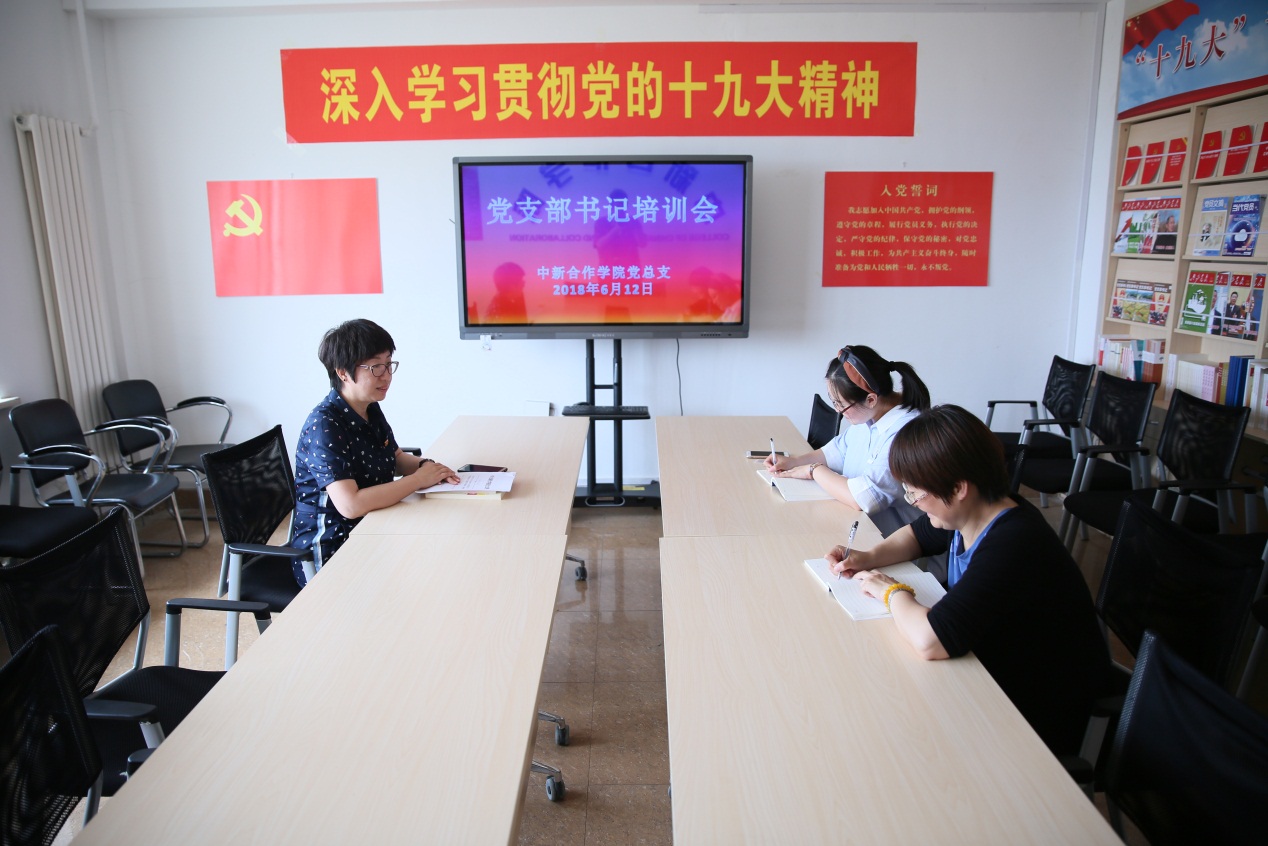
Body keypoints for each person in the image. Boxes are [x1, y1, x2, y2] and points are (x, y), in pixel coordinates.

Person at [825, 405, 1110, 755]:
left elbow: (931, 640)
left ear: (959, 488)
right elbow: (918, 535)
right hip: (988, 665)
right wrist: (866, 557)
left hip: (1035, 704)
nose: (915, 503)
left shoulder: (1014, 542)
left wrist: (892, 592)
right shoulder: (974, 511)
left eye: (916, 494)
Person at [290, 319, 459, 585]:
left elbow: (396, 458)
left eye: (389, 364)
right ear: (343, 373)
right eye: (375, 367)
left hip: (373, 526)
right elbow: (350, 505)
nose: (387, 375)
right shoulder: (325, 425)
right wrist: (418, 480)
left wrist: (428, 467)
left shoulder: (368, 407)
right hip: (331, 550)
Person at [765, 344, 930, 536]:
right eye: (834, 401)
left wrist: (813, 470)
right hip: (854, 524)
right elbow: (836, 451)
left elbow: (863, 499)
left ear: (871, 400)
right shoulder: (870, 416)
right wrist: (794, 462)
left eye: (841, 404)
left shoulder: (905, 433)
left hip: (887, 539)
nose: (837, 410)